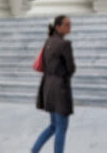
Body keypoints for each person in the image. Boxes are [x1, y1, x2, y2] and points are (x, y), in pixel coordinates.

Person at [31, 15, 75, 153]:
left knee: (53, 125)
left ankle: (34, 150)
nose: (69, 27)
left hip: (48, 87)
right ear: (58, 27)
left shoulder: (48, 42)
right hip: (60, 88)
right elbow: (71, 68)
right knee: (61, 127)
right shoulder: (64, 44)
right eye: (66, 24)